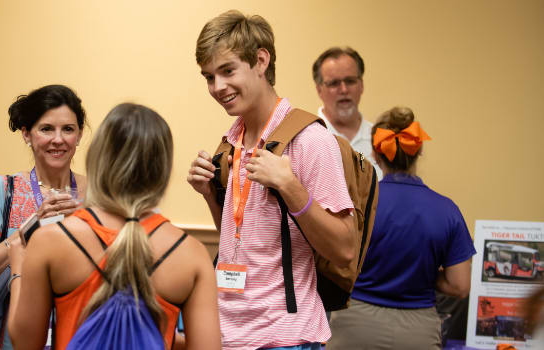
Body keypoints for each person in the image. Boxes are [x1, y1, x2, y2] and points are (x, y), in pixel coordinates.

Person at [188, 10, 356, 349]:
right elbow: (244, 242)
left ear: (261, 60)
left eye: (227, 70)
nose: (217, 87)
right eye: (209, 77)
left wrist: (291, 188)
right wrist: (210, 196)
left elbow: (345, 250)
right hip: (229, 333)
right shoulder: (231, 142)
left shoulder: (310, 141)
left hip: (286, 338)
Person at [7, 103, 221, 350]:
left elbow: (24, 343)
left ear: (96, 159)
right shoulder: (190, 253)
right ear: (164, 169)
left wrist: (18, 268)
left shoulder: (51, 241)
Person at [326, 107, 475, 349]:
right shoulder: (447, 210)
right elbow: (459, 286)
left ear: (375, 153)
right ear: (419, 150)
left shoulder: (359, 204)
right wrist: (424, 273)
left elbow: (332, 259)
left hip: (355, 325)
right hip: (418, 331)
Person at [0, 84, 87, 349]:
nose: (58, 139)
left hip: (80, 335)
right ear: (27, 135)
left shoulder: (98, 194)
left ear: (79, 135)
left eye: (68, 129)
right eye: (46, 129)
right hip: (11, 339)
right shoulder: (2, 189)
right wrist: (31, 227)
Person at [313, 46, 382, 177]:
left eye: (350, 81)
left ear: (361, 85)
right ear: (319, 90)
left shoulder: (381, 140)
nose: (344, 90)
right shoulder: (307, 140)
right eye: (334, 83)